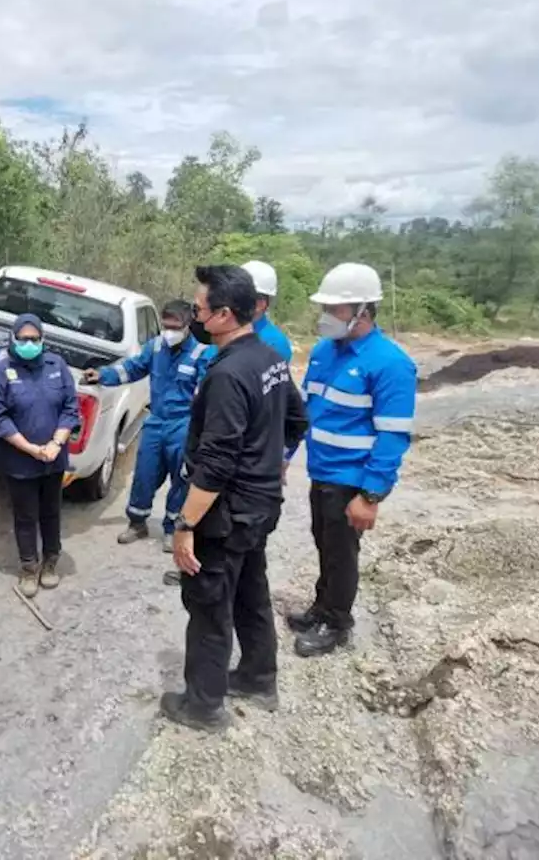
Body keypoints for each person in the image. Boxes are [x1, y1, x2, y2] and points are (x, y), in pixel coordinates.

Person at [160, 265, 308, 733]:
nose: (195, 313)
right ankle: (258, 678)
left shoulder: (228, 374)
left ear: (225, 314)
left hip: (226, 513)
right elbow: (296, 422)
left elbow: (218, 463)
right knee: (249, 593)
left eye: (200, 307)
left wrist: (185, 526)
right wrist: (271, 464)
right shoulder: (269, 359)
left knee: (208, 605)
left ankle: (203, 706)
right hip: (260, 506)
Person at [285, 262, 416, 658]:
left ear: (363, 310)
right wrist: (285, 455)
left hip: (352, 479)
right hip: (321, 470)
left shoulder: (390, 363)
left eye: (334, 309)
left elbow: (393, 435)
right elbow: (305, 412)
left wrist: (371, 494)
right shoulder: (325, 351)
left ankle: (337, 623)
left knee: (342, 553)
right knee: (324, 543)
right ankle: (321, 607)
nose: (326, 317)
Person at [82, 300, 210, 552]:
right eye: (166, 326)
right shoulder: (156, 347)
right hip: (156, 421)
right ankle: (137, 522)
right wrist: (103, 375)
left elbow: (207, 394)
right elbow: (133, 368)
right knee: (144, 474)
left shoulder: (202, 355)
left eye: (175, 327)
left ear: (188, 326)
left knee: (181, 479)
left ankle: (172, 530)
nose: (169, 331)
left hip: (183, 426)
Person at [0, 313, 81, 598]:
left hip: (53, 457)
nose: (29, 343)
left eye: (34, 338)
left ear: (43, 339)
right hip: (19, 460)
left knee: (51, 512)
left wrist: (55, 443)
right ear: (13, 338)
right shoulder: (2, 371)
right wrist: (30, 448)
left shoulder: (57, 366)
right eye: (23, 338)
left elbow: (70, 408)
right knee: (26, 516)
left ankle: (51, 562)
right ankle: (29, 567)